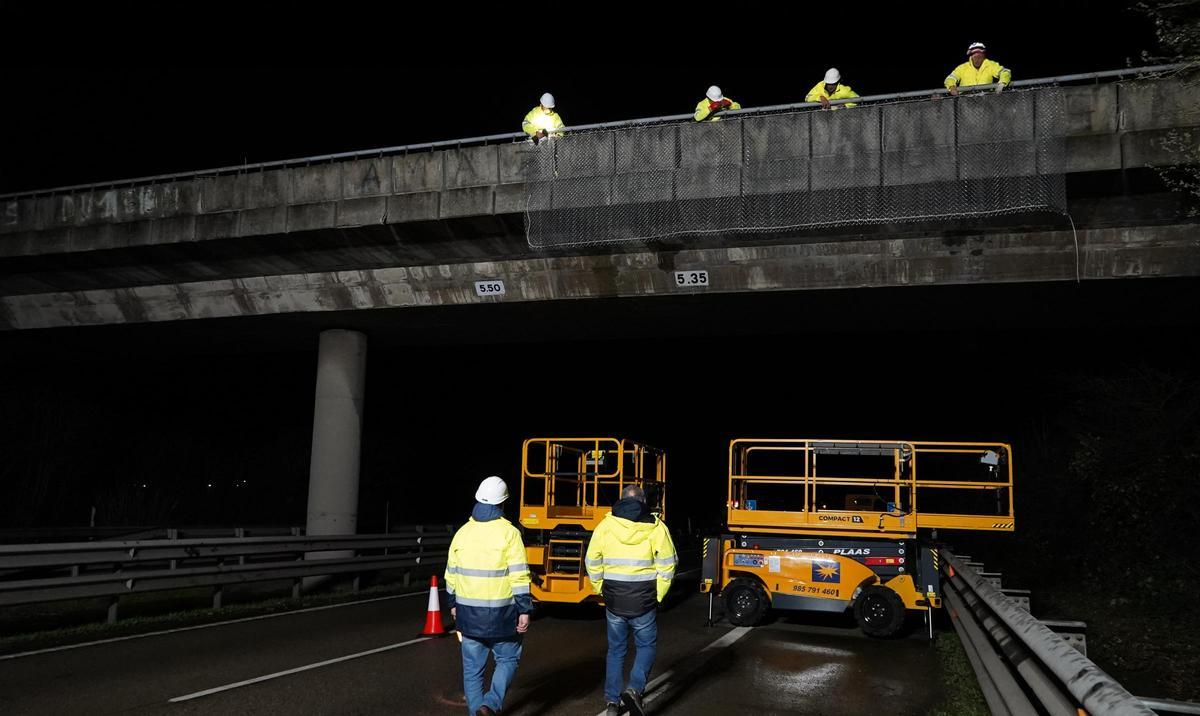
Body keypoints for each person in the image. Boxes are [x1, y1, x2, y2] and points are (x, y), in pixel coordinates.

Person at [586, 484, 678, 716]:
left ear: (622, 500)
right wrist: (659, 594)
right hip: (644, 601)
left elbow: (592, 560)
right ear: (643, 500)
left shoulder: (606, 525)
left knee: (616, 650)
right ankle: (635, 689)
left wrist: (600, 588)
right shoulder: (656, 527)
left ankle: (612, 703)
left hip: (614, 600)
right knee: (646, 646)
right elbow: (668, 565)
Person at [445, 476, 532, 716]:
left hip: (468, 615)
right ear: (503, 503)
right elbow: (519, 575)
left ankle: (477, 713)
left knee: (472, 672)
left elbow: (450, 574)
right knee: (508, 660)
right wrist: (524, 609)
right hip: (503, 615)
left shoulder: (462, 533)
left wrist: (452, 603)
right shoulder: (510, 533)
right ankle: (490, 704)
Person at [945, 42, 1012, 95]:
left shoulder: (990, 65)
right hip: (965, 101)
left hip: (986, 101)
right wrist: (951, 87)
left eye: (980, 56)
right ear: (970, 57)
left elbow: (1005, 71)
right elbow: (950, 78)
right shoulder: (962, 68)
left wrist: (1002, 83)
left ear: (984, 55)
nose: (977, 59)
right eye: (975, 57)